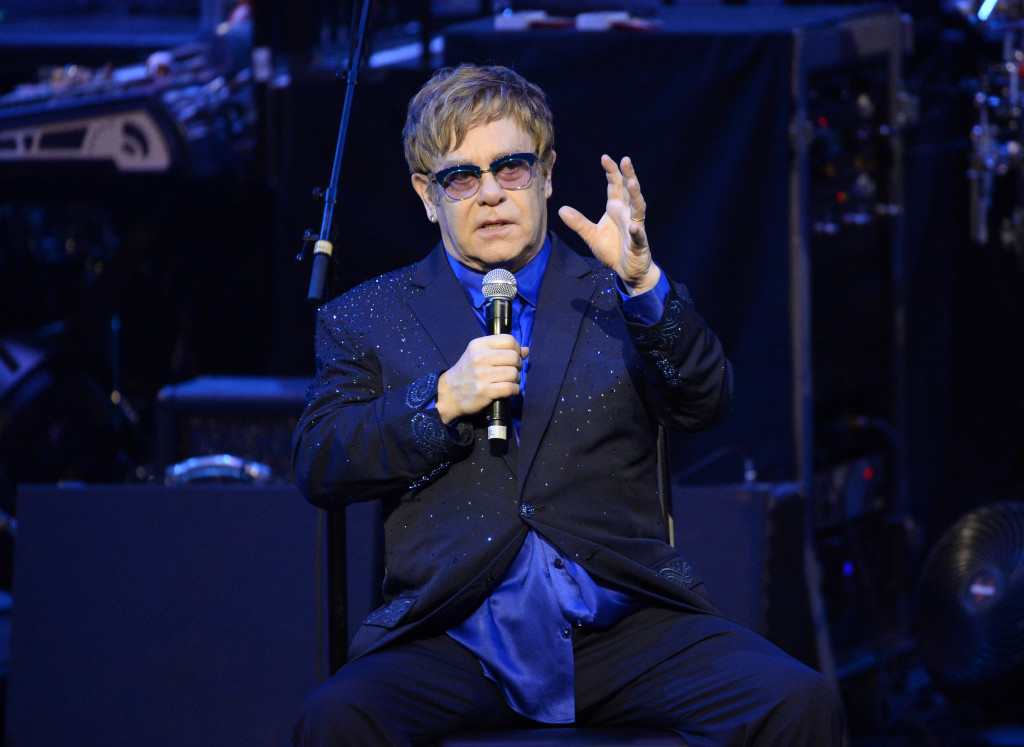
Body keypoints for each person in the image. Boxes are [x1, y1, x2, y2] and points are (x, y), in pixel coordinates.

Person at [291, 63, 842, 746]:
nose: (490, 193)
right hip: (455, 631)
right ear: (426, 196)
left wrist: (644, 285)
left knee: (798, 701)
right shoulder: (368, 315)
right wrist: (439, 400)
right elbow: (320, 459)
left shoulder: (615, 293)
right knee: (336, 717)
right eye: (462, 177)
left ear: (548, 175)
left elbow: (706, 398)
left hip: (623, 626)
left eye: (511, 168)